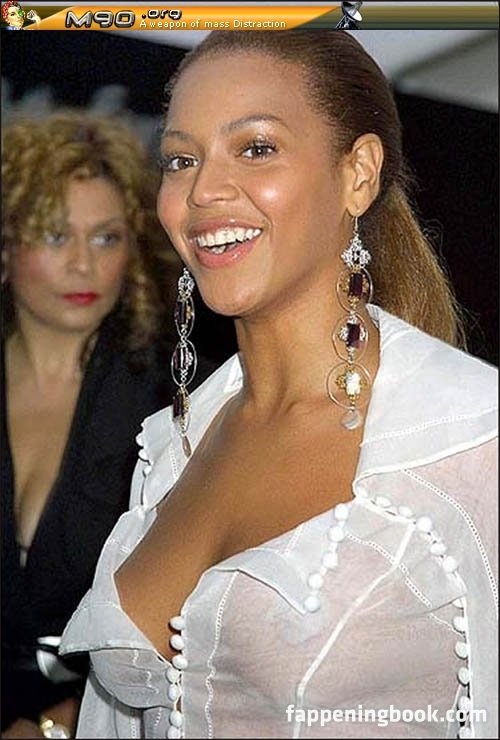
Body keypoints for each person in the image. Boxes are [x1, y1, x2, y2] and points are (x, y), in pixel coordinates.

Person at [61, 31, 497, 739]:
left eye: (256, 148)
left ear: (358, 174)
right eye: (180, 160)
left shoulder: (475, 439)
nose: (203, 191)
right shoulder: (168, 451)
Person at [1, 111, 213, 738]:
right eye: (55, 235)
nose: (82, 264)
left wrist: (54, 725)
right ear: (6, 248)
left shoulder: (178, 394)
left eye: (105, 238)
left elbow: (198, 613)